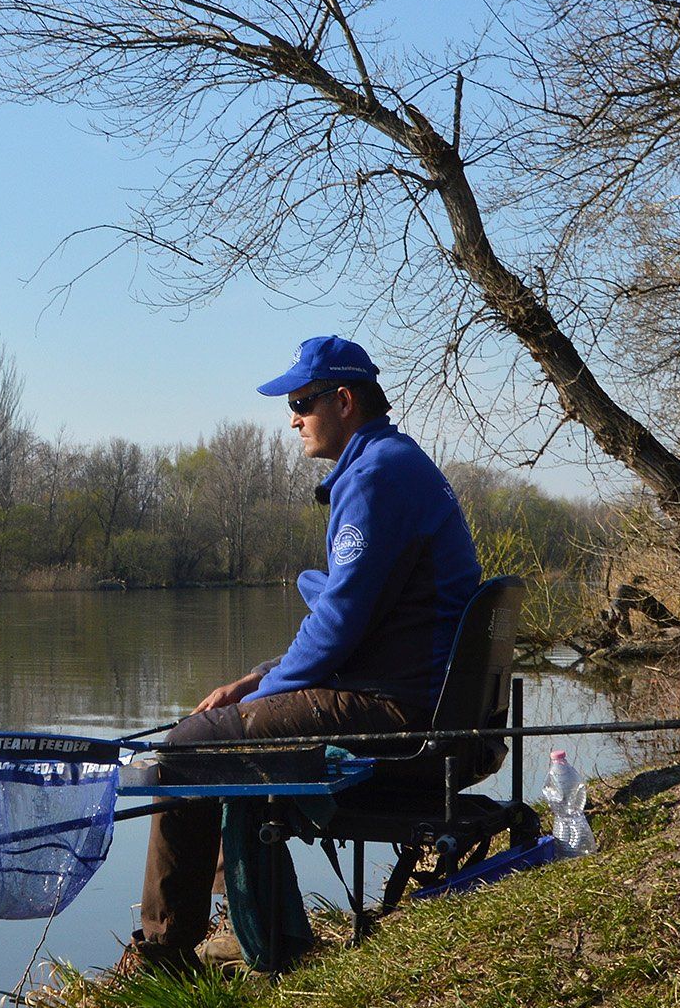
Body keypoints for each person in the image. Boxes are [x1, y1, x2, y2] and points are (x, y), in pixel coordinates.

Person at [121, 335, 481, 975]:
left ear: (343, 400)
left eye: (301, 401)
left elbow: (339, 624)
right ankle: (267, 928)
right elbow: (355, 618)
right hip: (423, 700)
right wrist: (264, 678)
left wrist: (262, 695)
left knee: (186, 749)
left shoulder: (375, 478)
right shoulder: (391, 464)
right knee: (222, 736)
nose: (291, 418)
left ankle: (165, 957)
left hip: (406, 717)